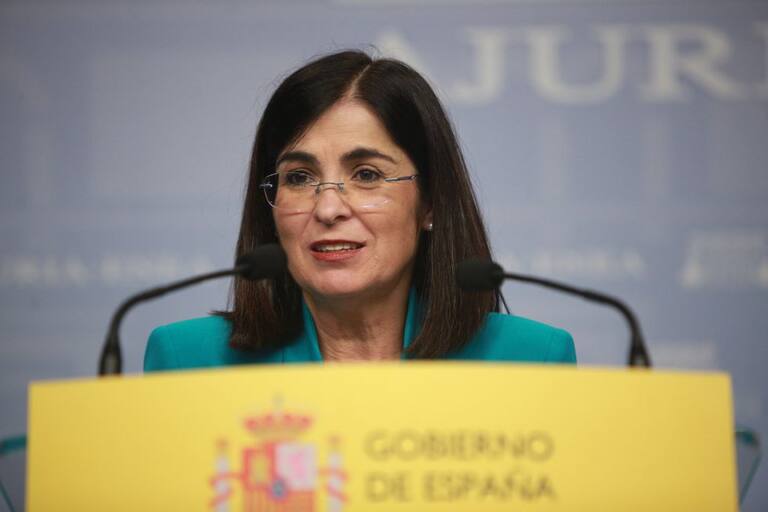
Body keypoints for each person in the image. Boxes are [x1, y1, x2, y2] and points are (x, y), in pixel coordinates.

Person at [144, 50, 575, 371]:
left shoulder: (530, 360)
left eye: (367, 174)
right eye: (299, 177)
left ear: (430, 202)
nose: (328, 208)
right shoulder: (188, 360)